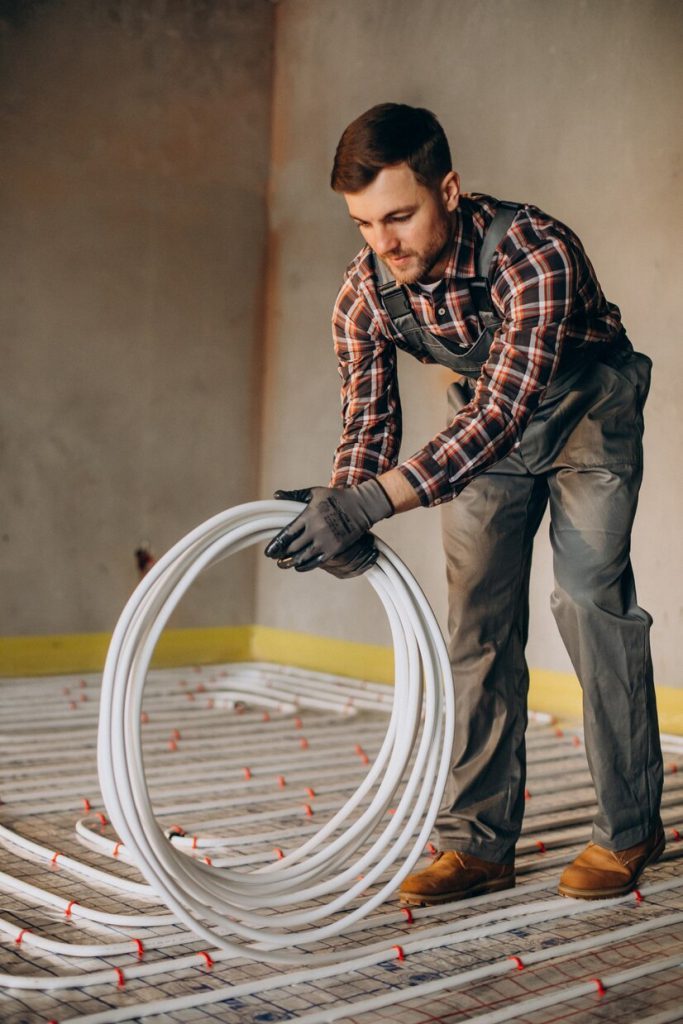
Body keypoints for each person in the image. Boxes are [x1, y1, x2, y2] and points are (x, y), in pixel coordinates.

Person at [264, 103, 664, 905]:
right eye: (365, 223)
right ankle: (477, 845)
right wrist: (346, 509)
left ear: (447, 189)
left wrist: (373, 502)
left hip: (584, 412)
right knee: (474, 623)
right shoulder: (362, 296)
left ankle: (628, 829)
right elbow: (368, 424)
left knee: (589, 601)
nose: (385, 243)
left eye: (401, 216)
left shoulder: (532, 250)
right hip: (484, 433)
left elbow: (503, 410)